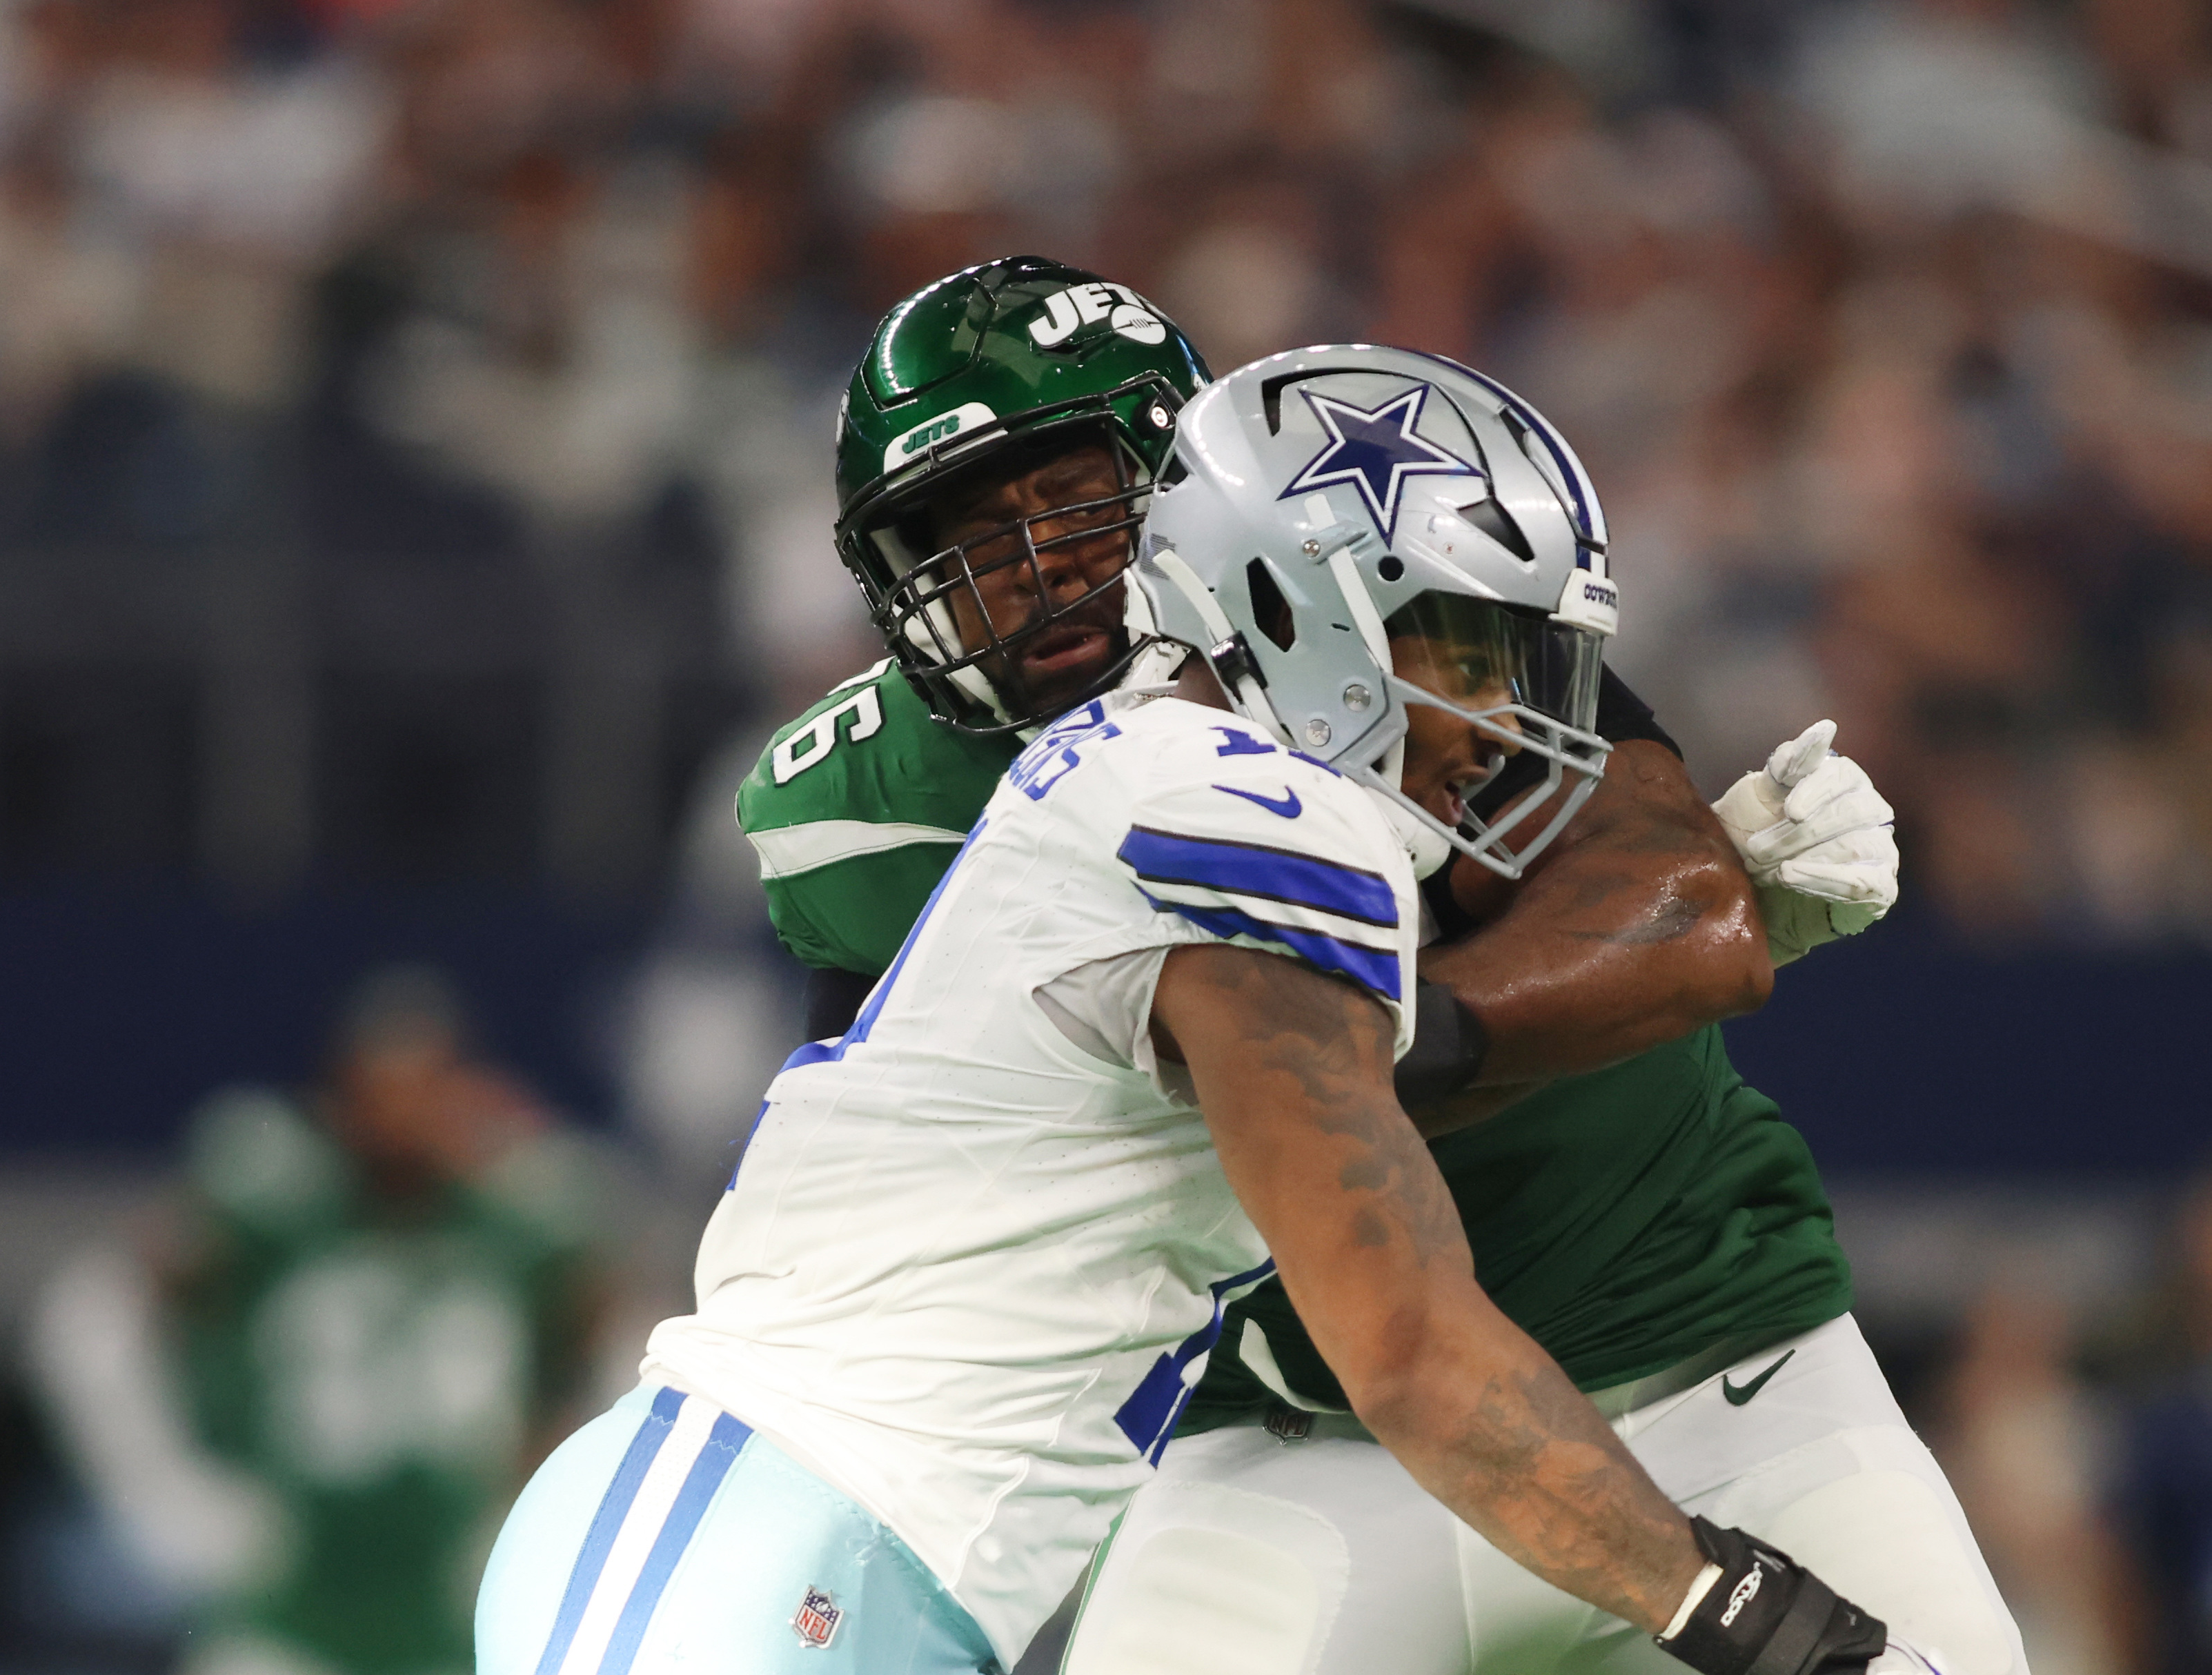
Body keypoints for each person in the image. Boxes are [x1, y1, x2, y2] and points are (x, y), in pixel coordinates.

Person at [475, 335, 1935, 1675]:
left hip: (829, 1551)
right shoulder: (1246, 813)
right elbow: (1412, 1345)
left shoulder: (1176, 773)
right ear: (1301, 613)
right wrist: (1738, 1609)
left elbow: (1366, 1086)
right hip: (773, 1547)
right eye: (1463, 648)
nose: (1504, 716)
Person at [34, 968, 606, 1675]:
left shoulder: (524, 1216)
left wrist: (550, 1504)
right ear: (339, 1096)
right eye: (382, 1086)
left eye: (426, 1083)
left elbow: (630, 1345)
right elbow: (96, 1312)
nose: (404, 1112)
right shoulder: (274, 1205)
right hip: (285, 1612)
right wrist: (166, 1491)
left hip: (460, 1610)